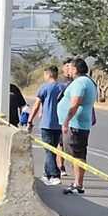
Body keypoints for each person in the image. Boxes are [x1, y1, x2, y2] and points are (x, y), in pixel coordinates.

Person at [57, 57, 98, 195]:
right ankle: (77, 182)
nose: (68, 70)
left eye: (70, 67)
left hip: (76, 124)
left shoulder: (80, 83)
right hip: (78, 123)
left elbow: (75, 104)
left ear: (75, 69)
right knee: (75, 153)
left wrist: (66, 121)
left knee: (77, 154)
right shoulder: (87, 81)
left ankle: (78, 184)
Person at [27, 65, 68, 186]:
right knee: (52, 149)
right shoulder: (63, 87)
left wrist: (30, 120)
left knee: (49, 151)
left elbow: (36, 105)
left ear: (48, 74)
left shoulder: (44, 88)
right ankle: (47, 174)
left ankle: (55, 175)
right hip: (59, 123)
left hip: (47, 124)